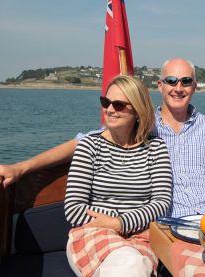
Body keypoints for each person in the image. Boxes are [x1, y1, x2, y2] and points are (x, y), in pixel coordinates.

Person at [0, 57, 205, 217]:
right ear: (160, 85)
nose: (179, 88)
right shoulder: (145, 125)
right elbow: (84, 141)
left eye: (186, 81)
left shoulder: (204, 125)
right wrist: (21, 168)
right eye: (171, 81)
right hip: (169, 221)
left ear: (194, 86)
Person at [65, 75, 172, 277]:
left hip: (140, 237)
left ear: (138, 110)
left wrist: (120, 223)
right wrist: (118, 222)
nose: (110, 109)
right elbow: (73, 210)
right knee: (130, 264)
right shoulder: (90, 146)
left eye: (119, 104)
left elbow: (161, 202)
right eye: (106, 102)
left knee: (133, 265)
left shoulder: (155, 148)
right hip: (93, 233)